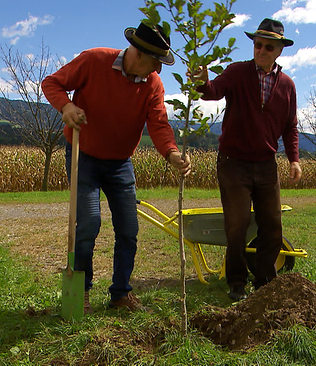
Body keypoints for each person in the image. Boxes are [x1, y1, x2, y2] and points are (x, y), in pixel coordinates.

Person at [42, 22, 191, 314]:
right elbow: (52, 83)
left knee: (128, 228)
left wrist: (172, 154)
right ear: (138, 52)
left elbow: (159, 124)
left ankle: (120, 294)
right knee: (88, 223)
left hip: (120, 163)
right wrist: (67, 107)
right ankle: (81, 292)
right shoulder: (94, 60)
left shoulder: (152, 85)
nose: (158, 70)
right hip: (83, 156)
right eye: (155, 62)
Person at [192, 18, 302, 301]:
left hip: (266, 164)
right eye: (257, 44)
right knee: (237, 225)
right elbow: (212, 91)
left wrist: (294, 159)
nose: (261, 50)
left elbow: (290, 126)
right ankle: (237, 283)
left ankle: (265, 280)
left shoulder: (287, 85)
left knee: (272, 227)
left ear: (279, 51)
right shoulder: (237, 73)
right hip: (234, 162)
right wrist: (202, 81)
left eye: (268, 46)